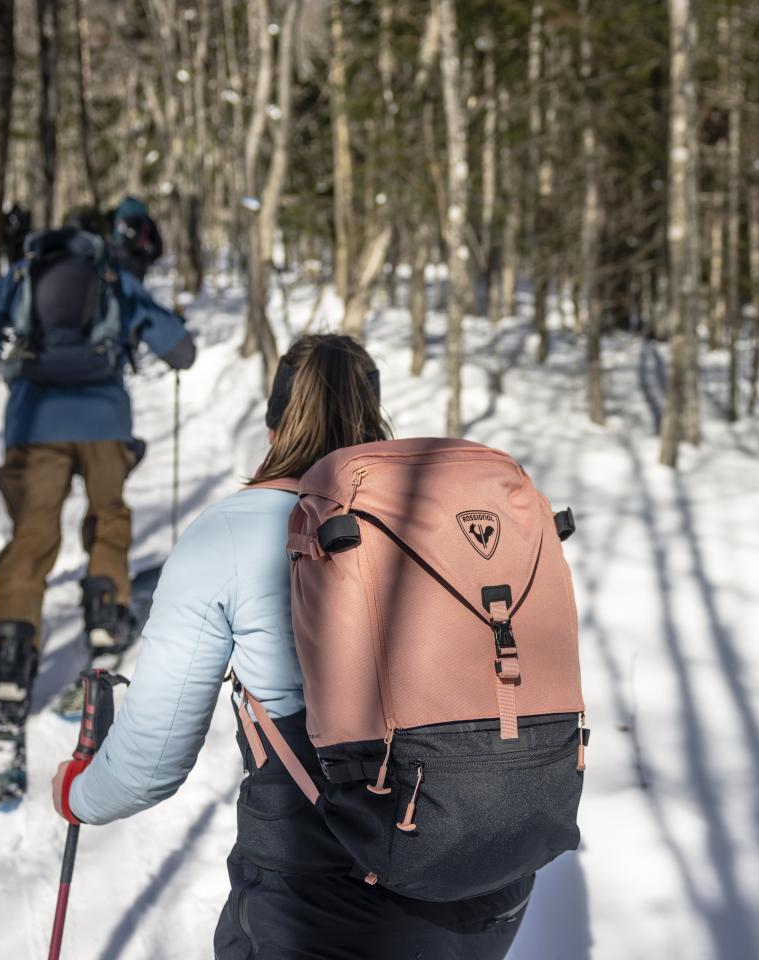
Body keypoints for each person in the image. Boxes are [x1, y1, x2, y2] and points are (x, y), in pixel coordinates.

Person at [52, 335, 533, 959]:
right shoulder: (439, 520)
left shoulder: (234, 530)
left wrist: (78, 793)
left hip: (322, 903)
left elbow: (150, 764)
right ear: (375, 419)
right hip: (487, 887)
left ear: (275, 422)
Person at [0, 214, 196, 736]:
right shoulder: (112, 277)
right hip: (103, 419)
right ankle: (106, 617)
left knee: (32, 536)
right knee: (108, 516)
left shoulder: (22, 275)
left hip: (34, 419)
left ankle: (12, 656)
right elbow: (180, 350)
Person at [109, 195, 164, 281]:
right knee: (136, 287)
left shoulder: (120, 217)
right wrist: (150, 258)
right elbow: (158, 244)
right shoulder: (144, 217)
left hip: (121, 258)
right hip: (139, 258)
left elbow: (114, 239)